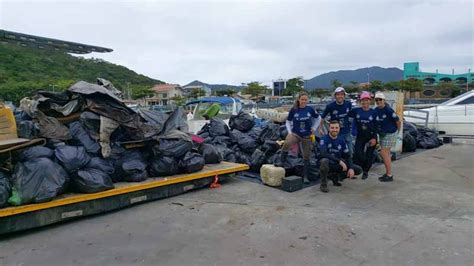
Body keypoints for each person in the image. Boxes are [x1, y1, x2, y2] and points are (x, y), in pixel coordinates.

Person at [277, 92, 321, 184]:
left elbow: (318, 118)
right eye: (302, 99)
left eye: (305, 99)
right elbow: (288, 121)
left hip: (307, 136)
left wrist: (314, 128)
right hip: (296, 134)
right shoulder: (294, 109)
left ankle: (305, 176)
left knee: (306, 156)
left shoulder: (310, 109)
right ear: (299, 100)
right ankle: (281, 162)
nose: (304, 101)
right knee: (287, 143)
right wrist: (289, 132)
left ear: (307, 100)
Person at [319, 120, 362, 193]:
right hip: (327, 164)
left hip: (336, 165)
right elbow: (323, 153)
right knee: (324, 161)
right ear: (329, 128)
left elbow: (348, 156)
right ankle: (323, 184)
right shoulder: (324, 139)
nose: (334, 130)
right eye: (332, 128)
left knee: (358, 170)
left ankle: (336, 176)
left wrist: (351, 168)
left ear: (339, 129)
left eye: (336, 128)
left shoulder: (341, 140)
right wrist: (340, 161)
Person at [349, 91, 377, 180]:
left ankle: (366, 172)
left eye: (367, 100)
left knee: (369, 154)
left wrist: (374, 138)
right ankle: (363, 166)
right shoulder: (356, 111)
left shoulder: (374, 112)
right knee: (358, 153)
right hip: (360, 136)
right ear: (360, 101)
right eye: (363, 100)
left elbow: (377, 126)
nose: (365, 102)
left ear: (370, 101)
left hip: (371, 136)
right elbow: (345, 113)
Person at [374, 92, 401, 182]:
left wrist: (398, 131)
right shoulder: (376, 110)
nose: (378, 101)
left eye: (380, 99)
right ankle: (388, 172)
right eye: (376, 100)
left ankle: (389, 174)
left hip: (390, 133)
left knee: (383, 153)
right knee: (386, 154)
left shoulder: (389, 110)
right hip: (382, 133)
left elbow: (398, 121)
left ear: (384, 100)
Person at [320, 87, 353, 155]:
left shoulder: (348, 104)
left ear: (344, 95)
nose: (340, 96)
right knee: (336, 152)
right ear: (335, 96)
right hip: (335, 133)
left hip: (346, 131)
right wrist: (320, 128)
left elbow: (350, 115)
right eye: (338, 94)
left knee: (349, 151)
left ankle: (349, 164)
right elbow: (322, 117)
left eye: (341, 94)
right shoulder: (330, 106)